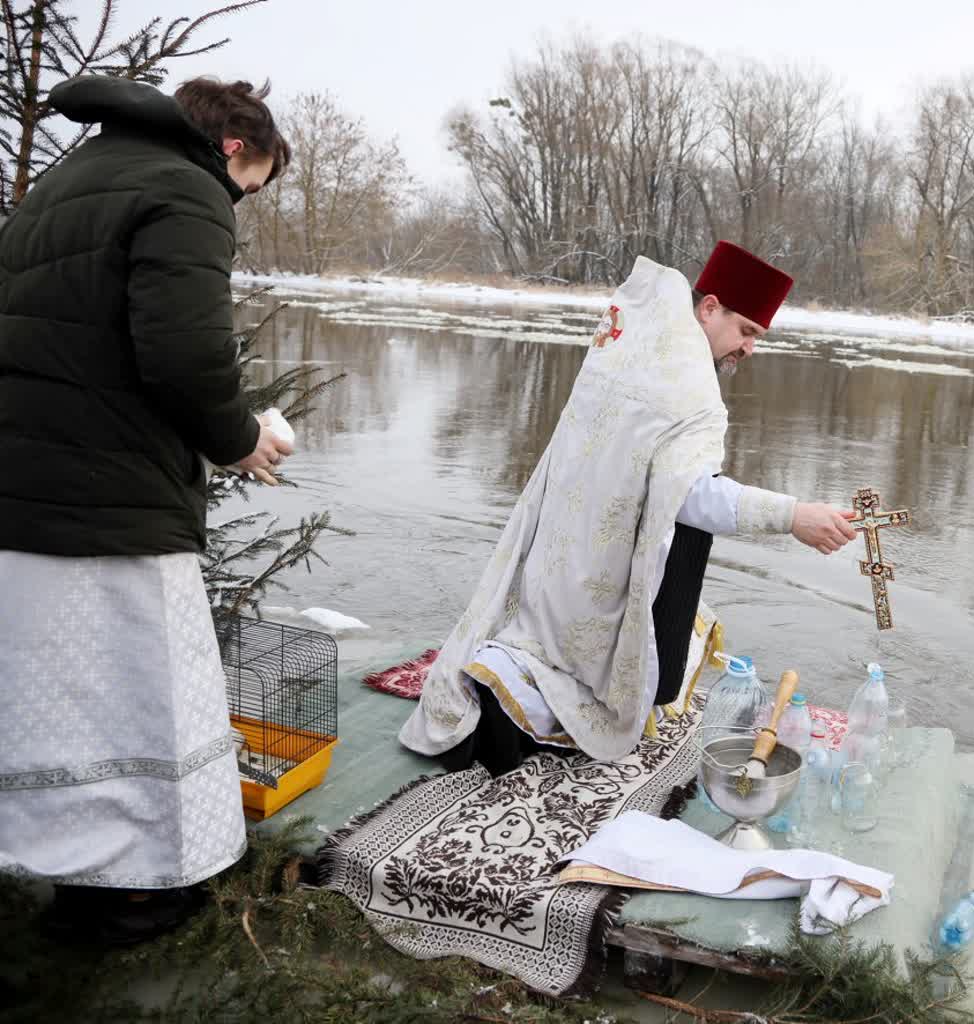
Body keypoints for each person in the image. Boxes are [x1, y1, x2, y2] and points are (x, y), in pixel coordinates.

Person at [0, 74, 294, 945]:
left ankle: (64, 870)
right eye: (253, 184)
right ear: (235, 148)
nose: (243, 203)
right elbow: (183, 352)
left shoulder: (68, 179)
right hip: (111, 491)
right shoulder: (185, 187)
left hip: (25, 485)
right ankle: (129, 894)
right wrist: (239, 438)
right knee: (137, 691)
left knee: (52, 697)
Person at [401, 241, 859, 775]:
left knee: (582, 645)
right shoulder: (690, 386)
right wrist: (792, 515)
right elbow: (689, 497)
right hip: (602, 571)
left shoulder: (633, 340)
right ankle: (505, 704)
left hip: (561, 550)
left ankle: (509, 684)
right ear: (709, 308)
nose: (749, 349)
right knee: (630, 684)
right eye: (747, 332)